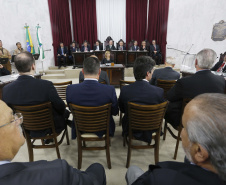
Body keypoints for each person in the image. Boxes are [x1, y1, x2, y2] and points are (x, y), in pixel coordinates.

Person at [126, 93, 226, 185]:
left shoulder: (158, 179)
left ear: (199, 151)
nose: (181, 133)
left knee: (133, 170)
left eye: (184, 127)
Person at [0, 100, 106, 185]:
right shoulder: (58, 174)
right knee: (97, 167)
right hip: (52, 127)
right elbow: (60, 106)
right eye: (12, 119)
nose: (18, 120)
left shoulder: (8, 90)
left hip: (32, 129)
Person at [2, 51, 69, 140]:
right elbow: (60, 107)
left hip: (27, 129)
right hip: (51, 127)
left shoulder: (6, 89)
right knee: (65, 113)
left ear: (17, 68)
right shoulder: (46, 85)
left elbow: (10, 114)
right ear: (33, 66)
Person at [165, 49, 226, 129]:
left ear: (196, 62)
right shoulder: (221, 81)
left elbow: (169, 97)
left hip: (187, 121)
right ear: (213, 63)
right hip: (211, 123)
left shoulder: (184, 82)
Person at [66, 57, 119, 139]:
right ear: (100, 72)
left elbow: (71, 109)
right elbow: (115, 112)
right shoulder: (110, 90)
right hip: (103, 128)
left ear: (82, 71)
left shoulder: (70, 89)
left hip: (80, 127)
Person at [118, 56, 164, 143]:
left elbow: (122, 109)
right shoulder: (159, 91)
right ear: (148, 73)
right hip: (152, 128)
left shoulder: (125, 90)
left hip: (131, 127)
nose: (153, 73)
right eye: (152, 71)